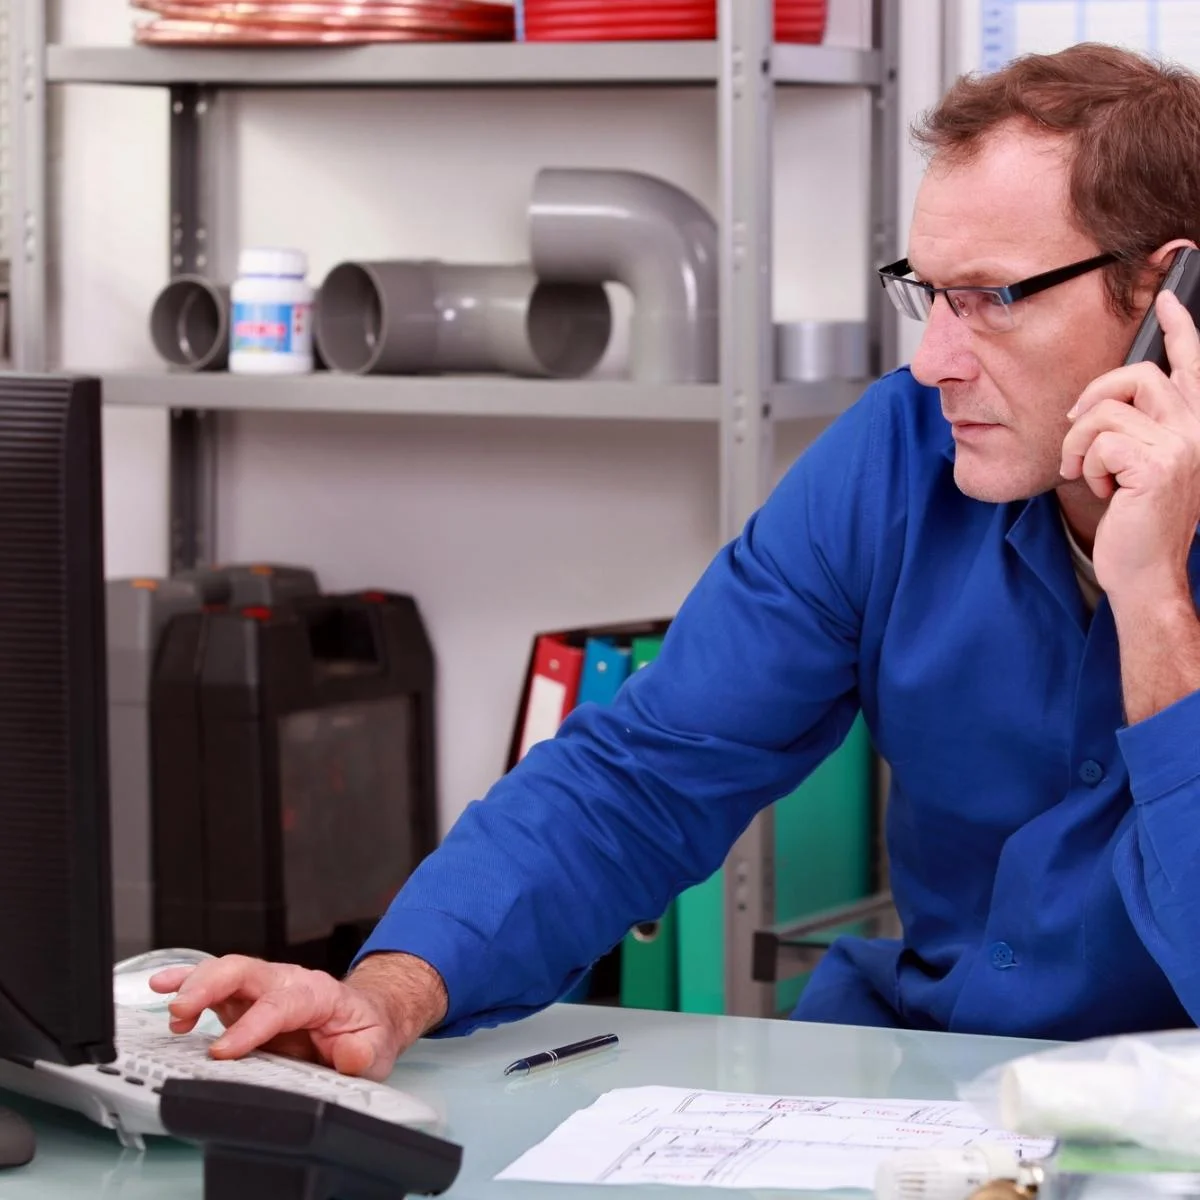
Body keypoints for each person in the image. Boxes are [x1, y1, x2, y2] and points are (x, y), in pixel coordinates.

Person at [152, 42, 1200, 1080]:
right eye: (928, 295)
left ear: (1167, 297)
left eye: (992, 299)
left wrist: (1152, 604)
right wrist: (388, 990)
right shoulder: (900, 453)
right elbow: (646, 773)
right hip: (930, 1094)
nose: (933, 361)